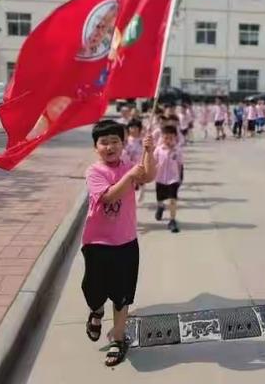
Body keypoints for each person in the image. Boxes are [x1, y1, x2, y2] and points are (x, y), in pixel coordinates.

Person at [82, 120, 155, 367]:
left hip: (125, 242)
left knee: (122, 294)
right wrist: (130, 177)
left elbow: (149, 175)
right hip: (97, 243)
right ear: (96, 147)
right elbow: (108, 196)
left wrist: (149, 152)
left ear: (123, 144)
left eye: (115, 141)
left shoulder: (129, 166)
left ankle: (118, 337)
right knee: (94, 291)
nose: (110, 146)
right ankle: (96, 311)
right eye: (104, 142)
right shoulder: (94, 172)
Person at [154, 125, 183, 233]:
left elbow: (180, 165)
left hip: (173, 179)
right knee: (160, 198)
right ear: (162, 137)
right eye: (165, 138)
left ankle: (172, 220)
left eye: (171, 138)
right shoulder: (158, 150)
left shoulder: (178, 150)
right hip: (160, 178)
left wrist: (180, 178)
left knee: (172, 200)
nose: (168, 140)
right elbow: (153, 162)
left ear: (175, 137)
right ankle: (160, 207)